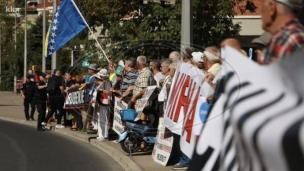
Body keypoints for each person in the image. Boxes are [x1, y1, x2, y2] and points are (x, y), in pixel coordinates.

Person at [261, 0, 304, 64]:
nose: (260, 15)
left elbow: (266, 74)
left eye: (262, 11)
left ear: (271, 8)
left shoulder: (282, 40)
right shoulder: (299, 35)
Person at [92, 69, 112, 141]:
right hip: (101, 102)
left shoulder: (107, 82)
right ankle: (101, 134)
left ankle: (104, 135)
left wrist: (101, 90)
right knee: (101, 118)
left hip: (105, 102)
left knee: (104, 118)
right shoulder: (104, 82)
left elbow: (109, 92)